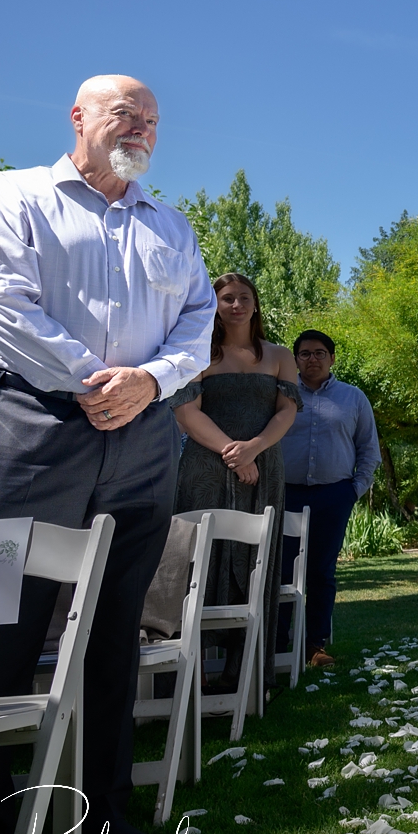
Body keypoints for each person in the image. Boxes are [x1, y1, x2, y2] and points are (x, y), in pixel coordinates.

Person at [0, 74, 214, 834]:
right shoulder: (12, 196)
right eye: (127, 112)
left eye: (153, 119)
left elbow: (199, 323)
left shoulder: (173, 228)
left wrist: (150, 383)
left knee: (114, 632)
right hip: (23, 431)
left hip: (143, 439)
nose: (143, 128)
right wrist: (97, 380)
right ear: (78, 117)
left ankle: (104, 822)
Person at [173, 272, 300, 668]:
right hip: (206, 467)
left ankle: (240, 669)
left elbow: (287, 410)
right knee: (199, 557)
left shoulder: (280, 356)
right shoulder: (197, 354)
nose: (236, 304)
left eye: (244, 297)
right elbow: (184, 411)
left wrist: (254, 449)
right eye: (227, 298)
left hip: (264, 467)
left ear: (256, 303)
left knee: (255, 556)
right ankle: (192, 671)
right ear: (215, 305)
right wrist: (233, 453)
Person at [281, 329, 380, 667]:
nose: (313, 359)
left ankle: (313, 646)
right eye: (305, 353)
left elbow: (369, 449)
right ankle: (278, 645)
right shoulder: (281, 395)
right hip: (285, 494)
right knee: (280, 569)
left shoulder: (353, 398)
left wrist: (353, 491)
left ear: (332, 358)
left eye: (320, 352)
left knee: (321, 572)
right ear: (295, 359)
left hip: (334, 495)